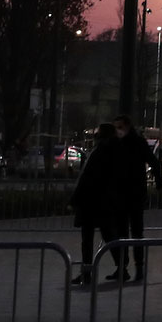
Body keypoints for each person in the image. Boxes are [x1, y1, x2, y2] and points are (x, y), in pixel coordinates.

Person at [108, 116, 162, 284]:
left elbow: (152, 161)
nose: (118, 130)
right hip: (129, 193)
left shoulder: (133, 142)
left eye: (120, 127)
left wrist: (159, 180)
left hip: (131, 194)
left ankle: (133, 267)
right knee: (128, 232)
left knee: (132, 232)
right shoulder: (128, 142)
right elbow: (152, 161)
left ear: (127, 126)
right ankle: (127, 267)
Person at [68, 122, 119, 285]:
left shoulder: (99, 152)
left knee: (88, 239)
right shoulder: (114, 152)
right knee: (108, 235)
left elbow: (86, 177)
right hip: (104, 201)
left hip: (91, 201)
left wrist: (74, 199)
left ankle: (87, 273)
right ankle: (121, 267)